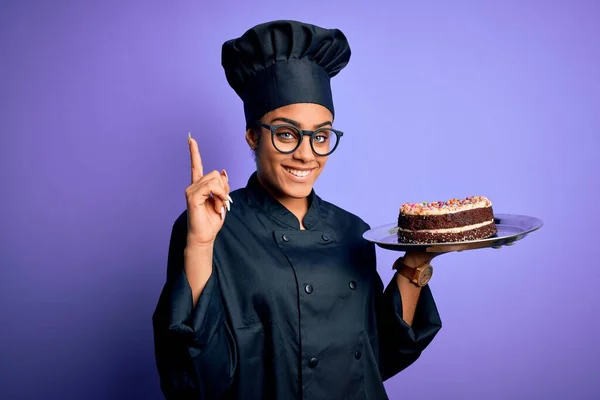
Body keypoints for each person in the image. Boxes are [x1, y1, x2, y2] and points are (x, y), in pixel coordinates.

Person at [153, 20, 445, 400]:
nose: (306, 154)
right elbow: (193, 378)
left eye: (321, 135)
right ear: (252, 136)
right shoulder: (210, 226)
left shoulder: (352, 230)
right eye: (287, 133)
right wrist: (199, 246)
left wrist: (416, 261)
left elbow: (381, 355)